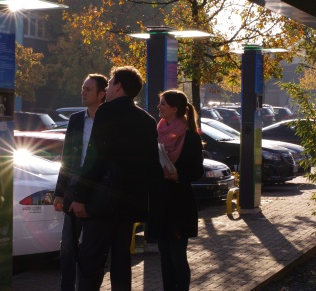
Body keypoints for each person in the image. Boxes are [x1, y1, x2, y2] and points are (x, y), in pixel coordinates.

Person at [70, 66, 161, 291]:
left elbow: (95, 156)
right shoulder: (147, 120)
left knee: (91, 260)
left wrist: (80, 195)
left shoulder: (107, 112)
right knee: (121, 259)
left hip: (102, 200)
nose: (108, 87)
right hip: (129, 204)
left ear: (118, 86)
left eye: (110, 83)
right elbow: (152, 166)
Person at [53, 74, 108, 291]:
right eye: (83, 88)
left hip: (98, 190)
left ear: (101, 94)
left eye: (88, 89)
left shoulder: (108, 120)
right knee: (67, 247)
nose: (83, 92)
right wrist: (60, 191)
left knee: (92, 249)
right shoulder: (76, 119)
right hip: (73, 187)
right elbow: (66, 157)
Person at [149, 89, 204, 291]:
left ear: (174, 108)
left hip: (179, 204)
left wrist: (178, 175)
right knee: (164, 255)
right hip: (160, 202)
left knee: (177, 255)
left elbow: (197, 170)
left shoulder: (190, 137)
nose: (158, 107)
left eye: (162, 103)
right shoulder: (157, 133)